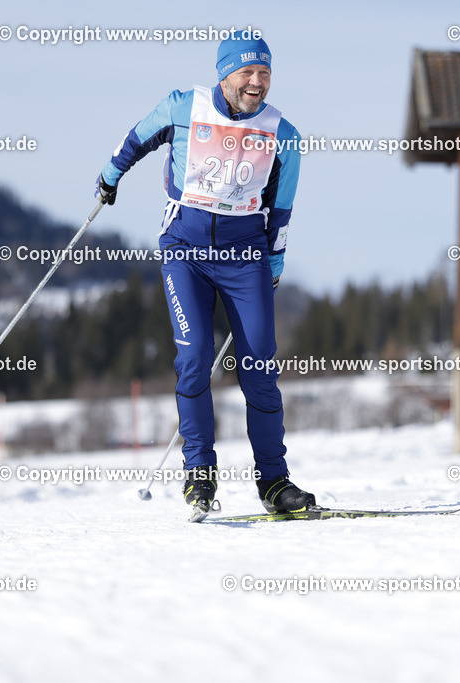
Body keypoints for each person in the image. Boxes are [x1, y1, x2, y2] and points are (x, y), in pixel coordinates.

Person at [95, 35, 315, 517]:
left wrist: (273, 265)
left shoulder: (283, 134)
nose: (256, 83)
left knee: (258, 367)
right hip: (185, 253)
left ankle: (274, 483)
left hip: (245, 258)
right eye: (246, 73)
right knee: (194, 358)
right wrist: (111, 176)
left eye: (264, 73)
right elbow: (135, 139)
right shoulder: (183, 108)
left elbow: (280, 210)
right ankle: (199, 475)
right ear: (224, 74)